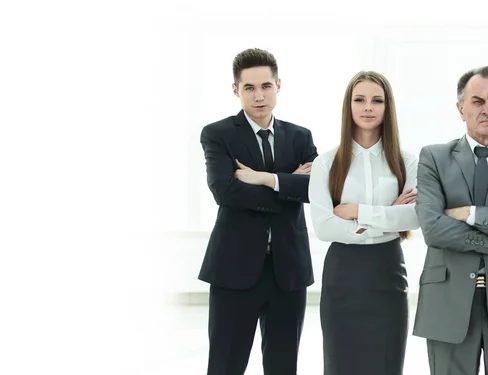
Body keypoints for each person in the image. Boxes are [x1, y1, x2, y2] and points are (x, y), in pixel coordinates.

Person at [198, 48, 318, 375]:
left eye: (265, 86)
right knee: (226, 364)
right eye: (249, 88)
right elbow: (225, 191)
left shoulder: (300, 136)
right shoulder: (218, 134)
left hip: (287, 270)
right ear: (236, 90)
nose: (259, 96)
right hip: (233, 269)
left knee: (283, 366)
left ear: (278, 85)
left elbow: (317, 191)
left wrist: (264, 179)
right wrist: (288, 183)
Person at [308, 71, 420, 375]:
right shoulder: (326, 163)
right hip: (343, 274)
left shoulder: (407, 162)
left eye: (376, 100)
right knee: (340, 366)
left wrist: (359, 211)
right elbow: (324, 227)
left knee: (387, 365)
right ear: (349, 106)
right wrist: (388, 216)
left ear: (387, 107)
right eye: (360, 99)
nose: (368, 107)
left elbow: (413, 217)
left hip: (387, 274)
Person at [413, 66, 488, 375]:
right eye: (478, 101)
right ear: (461, 108)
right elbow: (432, 228)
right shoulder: (434, 157)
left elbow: (448, 226)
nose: (486, 109)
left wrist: (470, 214)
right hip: (448, 300)